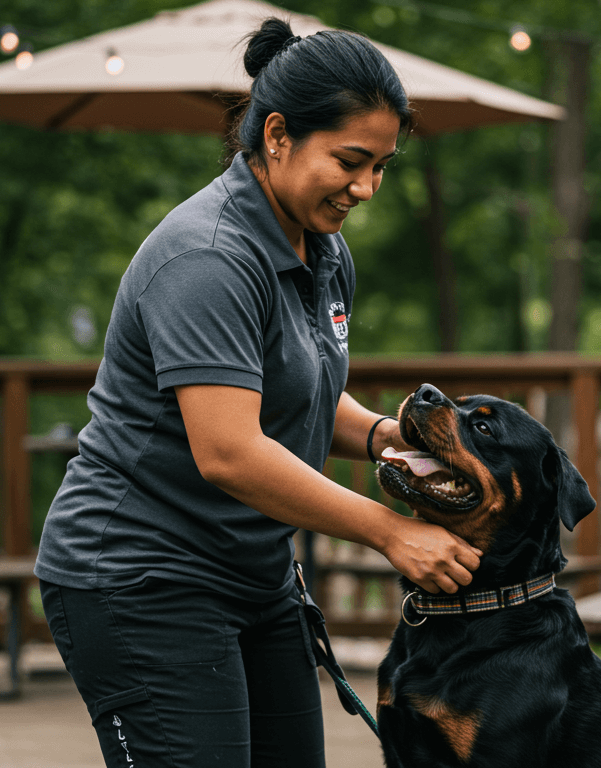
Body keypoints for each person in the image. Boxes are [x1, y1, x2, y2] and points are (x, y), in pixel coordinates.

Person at [33, 19, 482, 768]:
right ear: (277, 136)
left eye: (382, 166)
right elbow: (231, 452)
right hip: (139, 577)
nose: (366, 188)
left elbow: (298, 390)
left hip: (254, 576)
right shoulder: (207, 257)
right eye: (351, 161)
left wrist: (387, 441)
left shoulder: (322, 248)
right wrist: (391, 530)